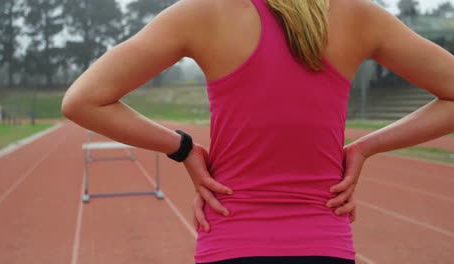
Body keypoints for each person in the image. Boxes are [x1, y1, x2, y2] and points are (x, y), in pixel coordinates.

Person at [61, 0, 454, 263]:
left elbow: (82, 100)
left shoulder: (203, 12)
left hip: (230, 239)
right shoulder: (358, 14)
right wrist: (365, 148)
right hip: (325, 242)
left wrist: (183, 148)